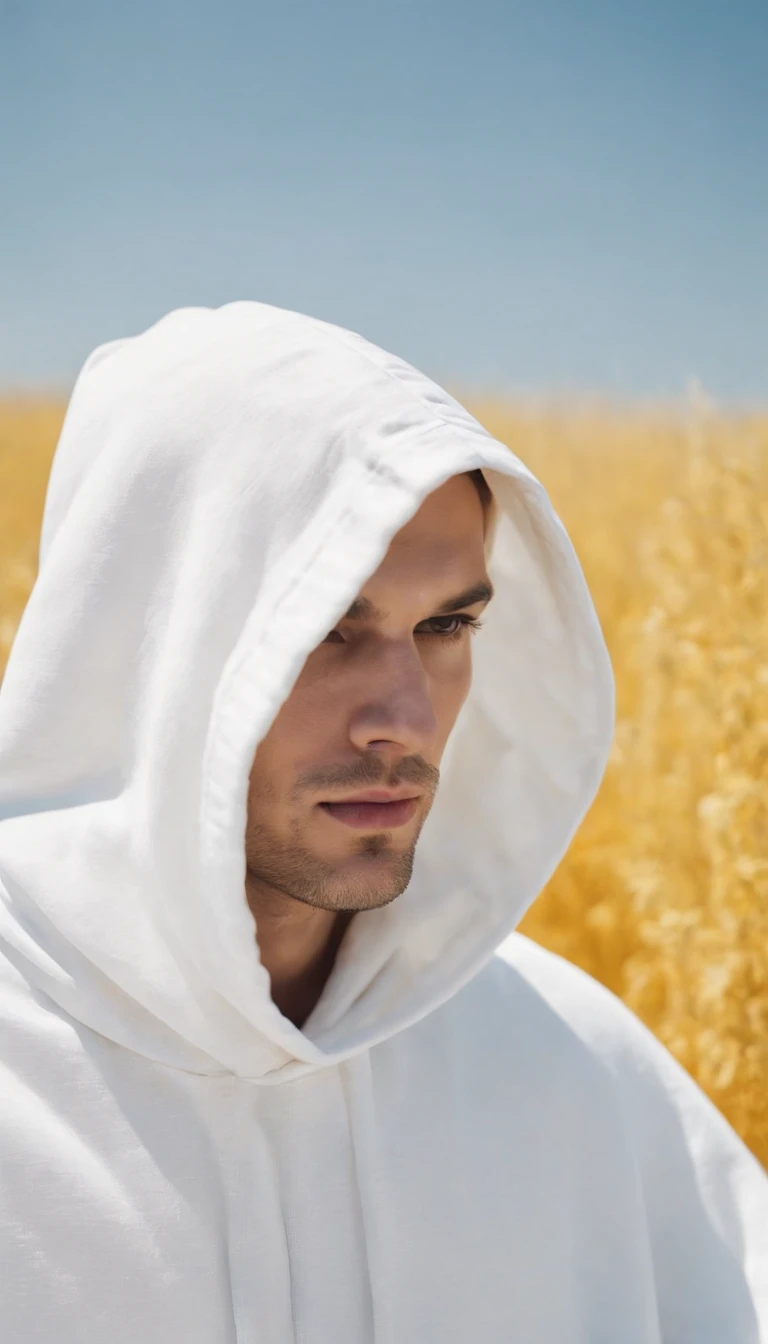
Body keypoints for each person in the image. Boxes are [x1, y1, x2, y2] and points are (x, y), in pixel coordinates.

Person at [0, 301, 765, 1343]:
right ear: (157, 633)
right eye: (325, 630)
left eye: (447, 625)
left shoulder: (564, 1065)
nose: (405, 720)